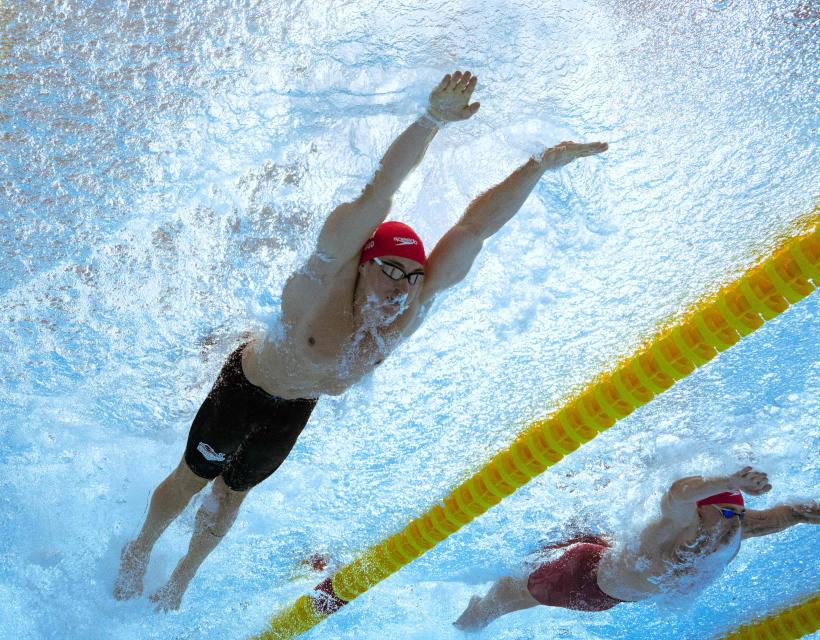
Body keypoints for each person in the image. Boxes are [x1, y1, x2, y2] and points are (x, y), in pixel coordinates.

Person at [113, 69, 608, 611]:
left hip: (294, 409)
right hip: (247, 387)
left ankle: (184, 574)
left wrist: (537, 167)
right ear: (364, 263)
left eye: (412, 276)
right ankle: (140, 549)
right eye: (390, 271)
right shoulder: (323, 278)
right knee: (193, 477)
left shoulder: (409, 307)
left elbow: (474, 229)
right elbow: (380, 191)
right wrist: (432, 120)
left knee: (232, 496)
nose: (401, 288)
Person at [454, 466, 820, 631]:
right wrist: (730, 480)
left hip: (610, 589)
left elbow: (795, 512)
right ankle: (462, 622)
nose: (731, 523)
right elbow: (676, 494)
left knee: (531, 574)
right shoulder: (681, 521)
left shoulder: (736, 528)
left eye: (737, 513)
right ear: (703, 510)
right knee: (498, 604)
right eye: (723, 510)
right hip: (580, 575)